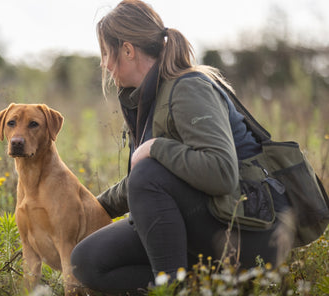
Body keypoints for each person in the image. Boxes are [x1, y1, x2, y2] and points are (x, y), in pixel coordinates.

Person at [70, 0, 292, 294]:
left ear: (127, 50)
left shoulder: (188, 88)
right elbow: (150, 177)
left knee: (148, 172)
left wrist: (157, 146)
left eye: (105, 52)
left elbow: (221, 172)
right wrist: (89, 207)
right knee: (86, 262)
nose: (104, 63)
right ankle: (194, 286)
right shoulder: (151, 95)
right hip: (206, 218)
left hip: (248, 231)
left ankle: (173, 287)